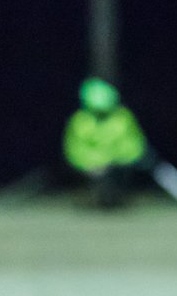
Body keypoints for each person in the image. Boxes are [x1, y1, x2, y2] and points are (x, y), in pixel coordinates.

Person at [63, 77, 148, 208]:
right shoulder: (79, 121)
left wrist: (112, 161)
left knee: (121, 173)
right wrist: (92, 164)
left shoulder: (123, 118)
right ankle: (93, 197)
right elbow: (74, 150)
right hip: (90, 167)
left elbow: (134, 146)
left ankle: (117, 197)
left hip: (117, 166)